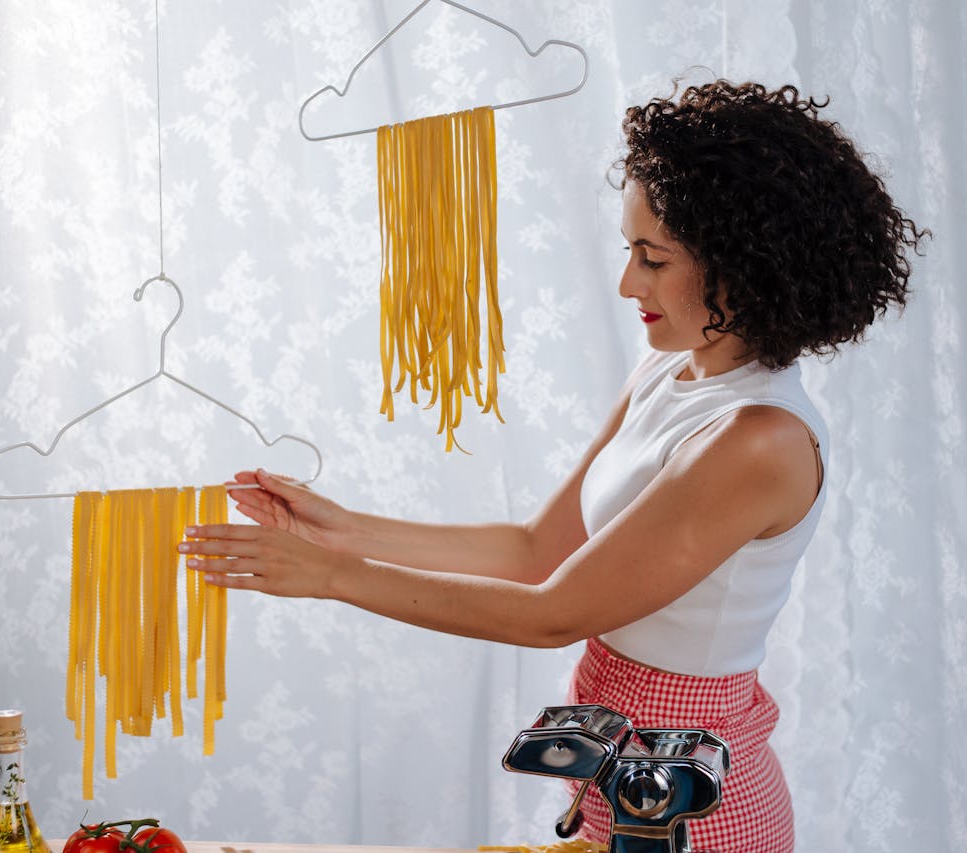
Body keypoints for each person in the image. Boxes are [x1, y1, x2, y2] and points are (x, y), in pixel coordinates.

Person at [179, 79, 927, 852]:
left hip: (697, 813)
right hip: (615, 775)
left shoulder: (760, 438)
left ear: (744, 266)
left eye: (653, 257)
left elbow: (554, 611)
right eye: (630, 251)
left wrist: (331, 578)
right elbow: (538, 549)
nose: (628, 282)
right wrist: (341, 532)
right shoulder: (669, 373)